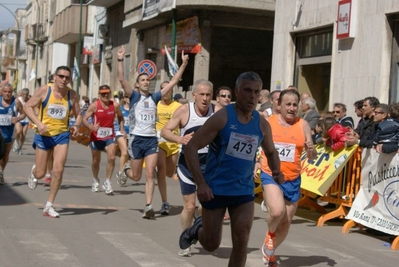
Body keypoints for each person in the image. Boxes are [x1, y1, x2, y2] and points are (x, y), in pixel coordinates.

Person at [178, 72, 283, 267]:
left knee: (242, 240)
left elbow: (271, 151)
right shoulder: (222, 117)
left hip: (243, 190)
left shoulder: (261, 124)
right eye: (247, 90)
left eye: (256, 92)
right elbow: (191, 147)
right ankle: (196, 230)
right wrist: (200, 183)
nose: (252, 96)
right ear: (236, 92)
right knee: (211, 244)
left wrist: (277, 171)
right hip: (215, 189)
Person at [116, 45, 189, 219]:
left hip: (151, 141)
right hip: (136, 140)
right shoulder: (134, 96)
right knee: (136, 176)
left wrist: (184, 64)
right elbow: (121, 78)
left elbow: (173, 82)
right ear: (137, 84)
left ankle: (148, 206)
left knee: (150, 174)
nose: (146, 82)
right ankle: (126, 170)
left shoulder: (154, 97)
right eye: (142, 80)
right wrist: (120, 59)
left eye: (148, 80)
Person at [259, 89, 316, 266]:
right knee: (277, 211)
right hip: (272, 174)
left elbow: (312, 156)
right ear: (279, 105)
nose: (291, 108)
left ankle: (271, 250)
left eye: (294, 104)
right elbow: (257, 145)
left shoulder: (303, 125)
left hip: (292, 178)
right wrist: (255, 162)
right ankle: (270, 234)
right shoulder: (269, 122)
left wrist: (311, 150)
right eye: (287, 104)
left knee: (285, 223)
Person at [161, 79, 214, 256]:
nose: (205, 98)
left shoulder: (217, 112)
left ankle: (198, 221)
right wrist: (180, 139)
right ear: (194, 96)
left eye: (208, 95)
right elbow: (165, 131)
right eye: (202, 94)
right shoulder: (185, 111)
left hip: (209, 165)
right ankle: (186, 241)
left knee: (206, 206)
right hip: (187, 164)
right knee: (190, 206)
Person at [24, 66, 82, 218]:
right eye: (61, 76)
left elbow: (79, 114)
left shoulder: (72, 95)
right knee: (41, 173)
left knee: (58, 169)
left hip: (62, 135)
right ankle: (34, 172)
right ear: (55, 77)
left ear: (70, 80)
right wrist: (38, 123)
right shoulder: (45, 90)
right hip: (44, 134)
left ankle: (49, 205)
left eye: (67, 77)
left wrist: (76, 125)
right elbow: (27, 106)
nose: (63, 80)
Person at [83, 85, 124, 195]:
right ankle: (95, 179)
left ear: (110, 93)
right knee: (96, 161)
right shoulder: (94, 105)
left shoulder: (115, 105)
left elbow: (120, 117)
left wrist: (122, 128)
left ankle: (107, 181)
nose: (105, 95)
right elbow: (84, 119)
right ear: (99, 95)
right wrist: (91, 127)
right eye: (103, 93)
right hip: (96, 137)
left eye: (107, 93)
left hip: (109, 136)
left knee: (112, 157)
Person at [156, 82, 182, 215]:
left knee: (169, 173)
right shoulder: (155, 105)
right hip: (159, 142)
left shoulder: (178, 107)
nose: (165, 91)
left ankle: (159, 171)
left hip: (173, 142)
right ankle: (165, 202)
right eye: (162, 89)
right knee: (161, 170)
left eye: (169, 89)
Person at [0, 83, 25, 185]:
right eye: (5, 92)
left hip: (9, 133)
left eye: (9, 92)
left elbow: (24, 113)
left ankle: (1, 172)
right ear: (1, 92)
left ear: (12, 92)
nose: (7, 94)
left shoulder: (16, 102)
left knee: (5, 155)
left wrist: (18, 118)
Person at [115, 94, 130, 181]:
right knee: (124, 152)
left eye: (130, 97)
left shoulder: (134, 110)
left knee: (127, 155)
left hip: (131, 134)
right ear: (124, 99)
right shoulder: (120, 109)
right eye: (127, 97)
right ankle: (121, 173)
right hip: (120, 132)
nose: (129, 99)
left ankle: (124, 169)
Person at [13, 88, 30, 155]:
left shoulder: (30, 101)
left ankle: (20, 147)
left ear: (28, 94)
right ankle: (16, 142)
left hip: (26, 119)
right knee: (18, 131)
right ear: (21, 94)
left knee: (23, 134)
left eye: (26, 94)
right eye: (23, 94)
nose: (25, 96)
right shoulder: (18, 100)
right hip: (18, 118)